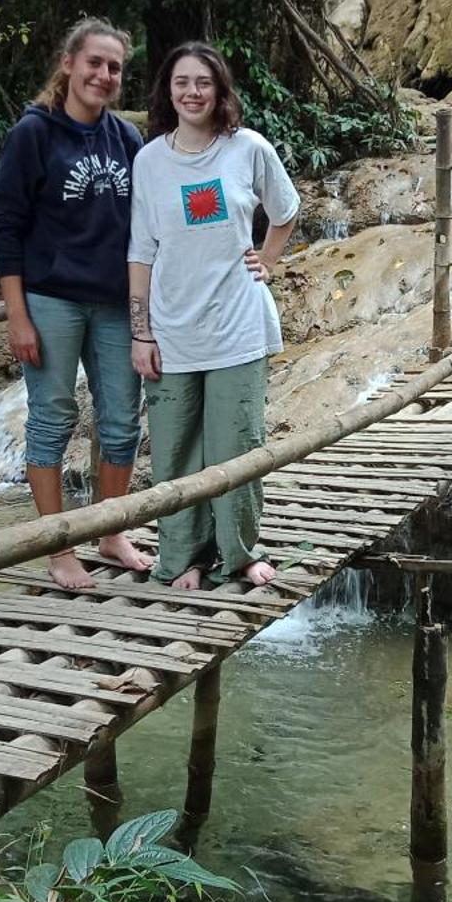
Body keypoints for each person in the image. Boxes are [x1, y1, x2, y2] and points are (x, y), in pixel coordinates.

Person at [128, 43, 300, 590]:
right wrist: (141, 332)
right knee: (176, 452)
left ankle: (240, 554)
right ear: (167, 91)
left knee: (238, 448)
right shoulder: (150, 160)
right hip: (172, 330)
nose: (192, 92)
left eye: (203, 82)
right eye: (182, 82)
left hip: (238, 327)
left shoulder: (247, 148)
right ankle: (184, 559)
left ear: (220, 90)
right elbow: (141, 251)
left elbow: (286, 209)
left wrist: (266, 261)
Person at [0, 17, 154, 589]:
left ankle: (110, 532)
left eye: (114, 68)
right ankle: (59, 546)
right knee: (53, 419)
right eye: (95, 63)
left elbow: (148, 225)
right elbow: (6, 228)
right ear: (68, 64)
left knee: (120, 425)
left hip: (112, 304)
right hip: (51, 301)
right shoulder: (33, 134)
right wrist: (17, 315)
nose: (104, 76)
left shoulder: (126, 139)